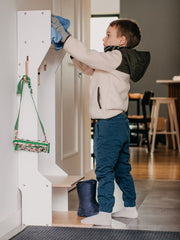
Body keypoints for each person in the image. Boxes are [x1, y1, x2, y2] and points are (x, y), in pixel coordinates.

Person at [51, 17, 150, 226]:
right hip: (119, 122)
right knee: (122, 168)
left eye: (108, 34)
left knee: (104, 169)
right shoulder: (117, 60)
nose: (103, 38)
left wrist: (66, 37)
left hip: (108, 124)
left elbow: (89, 56)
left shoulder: (115, 56)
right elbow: (89, 67)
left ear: (122, 41)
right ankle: (130, 207)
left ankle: (105, 213)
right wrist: (69, 50)